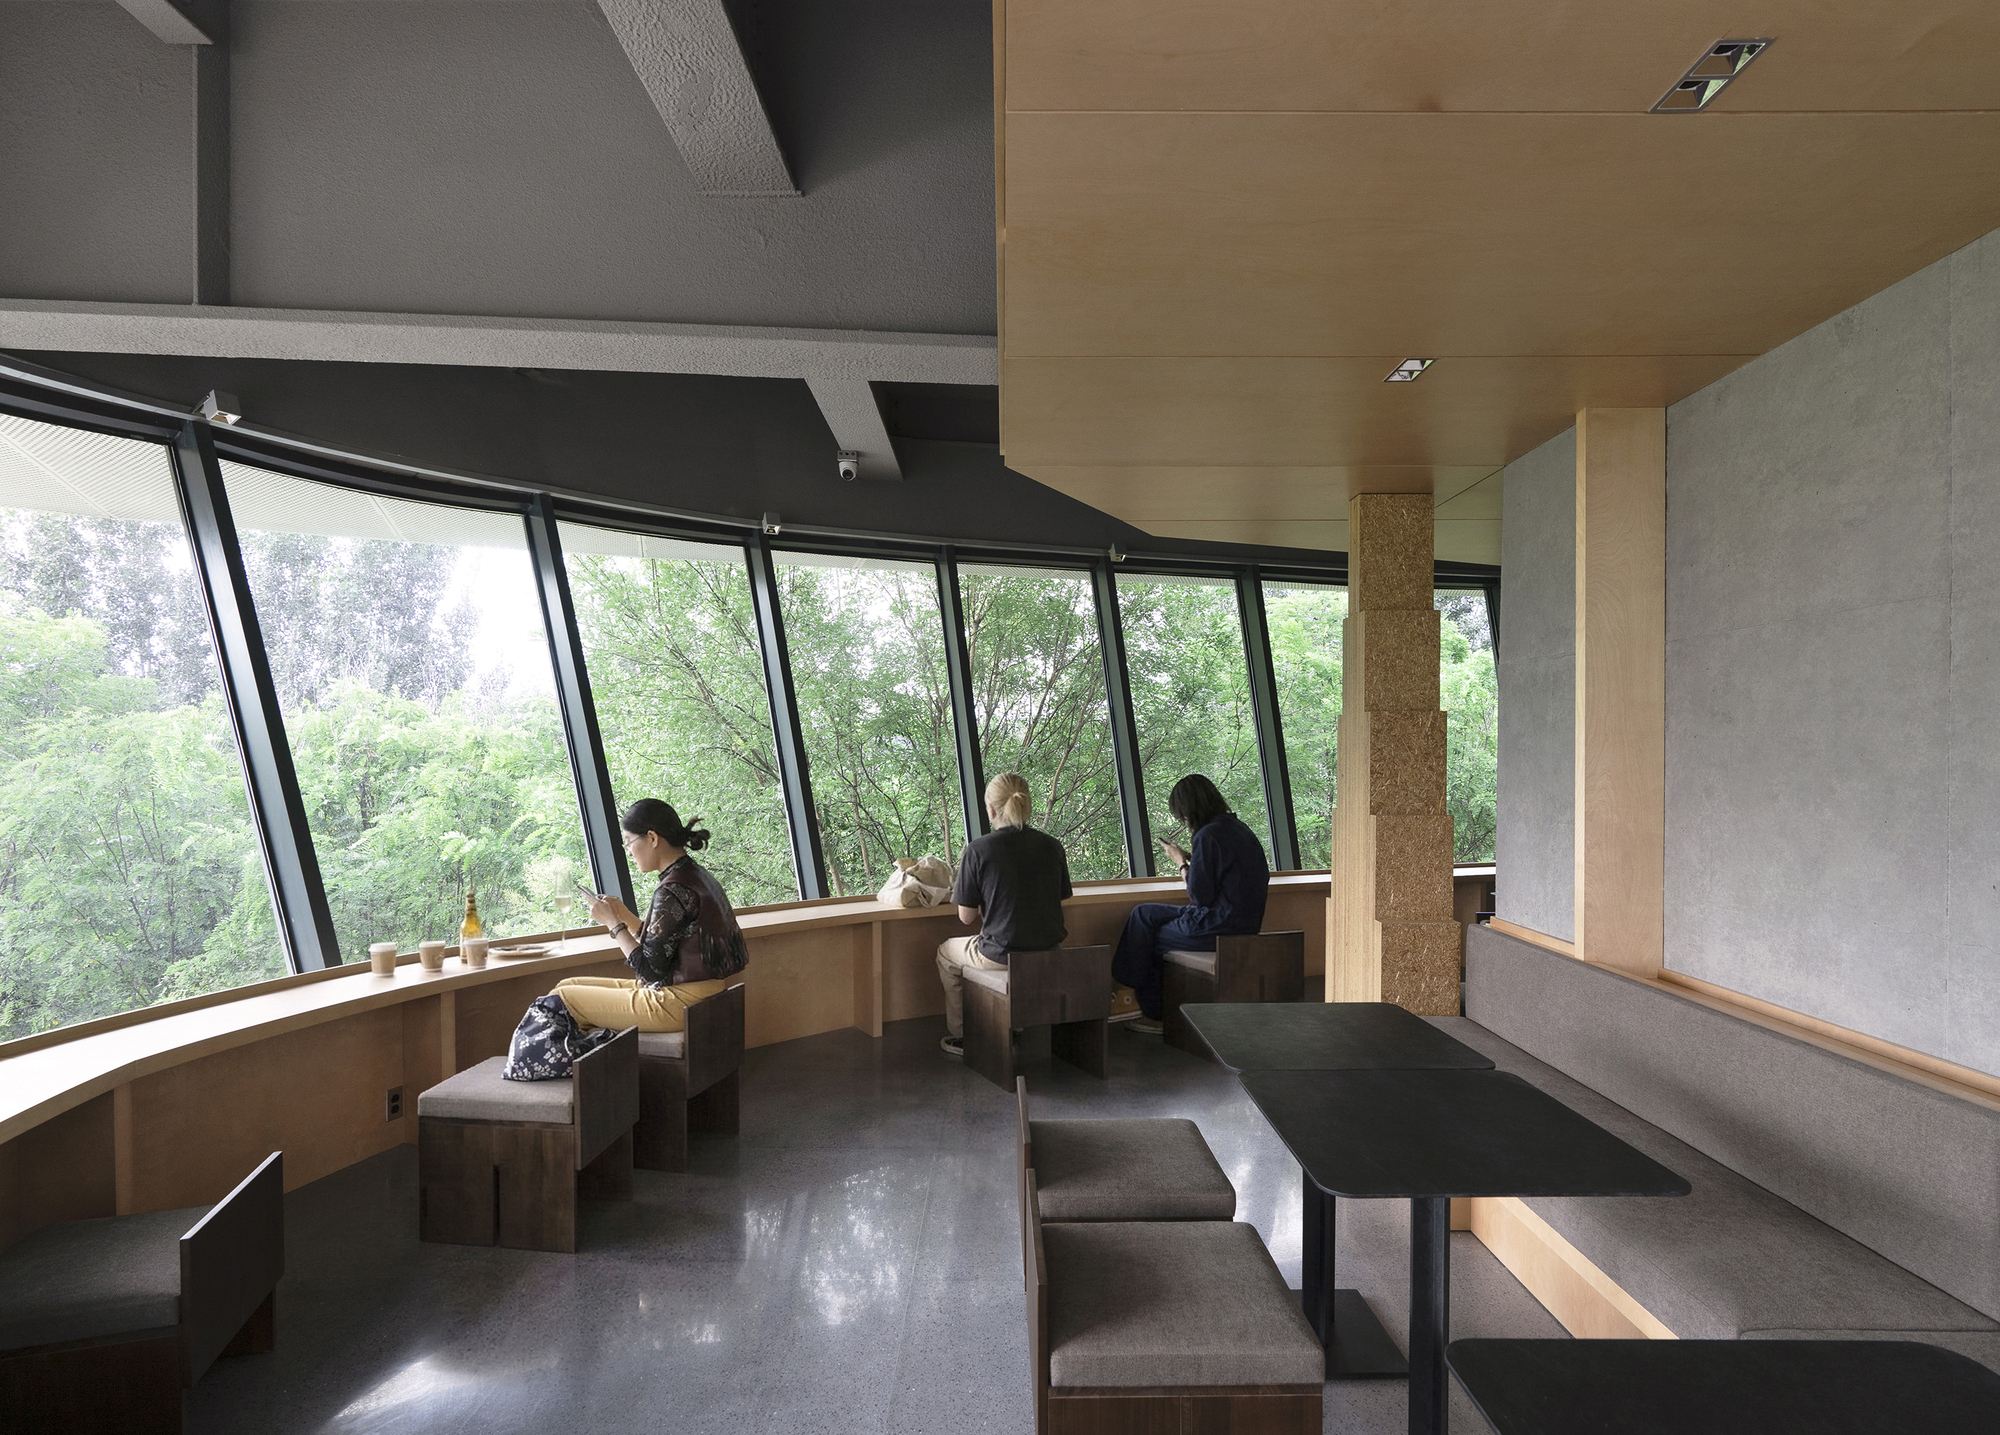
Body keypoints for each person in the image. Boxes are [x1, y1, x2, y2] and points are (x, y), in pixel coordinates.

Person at [557, 798, 749, 1034]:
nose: (629, 852)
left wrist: (613, 924)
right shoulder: (694, 875)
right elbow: (660, 948)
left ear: (652, 838)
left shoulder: (672, 889)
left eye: (628, 842)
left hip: (680, 1002)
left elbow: (649, 973)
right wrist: (623, 914)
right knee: (568, 985)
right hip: (701, 994)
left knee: (562, 998)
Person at [1112, 774, 1269, 1034]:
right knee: (1143, 914)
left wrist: (1181, 863)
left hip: (1217, 925)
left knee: (1149, 937)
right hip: (1244, 921)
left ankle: (1152, 1013)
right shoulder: (1239, 829)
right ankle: (1126, 990)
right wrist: (1194, 860)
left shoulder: (1207, 835)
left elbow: (1199, 896)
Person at [936, 772, 1072, 1058]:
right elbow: (1059, 897)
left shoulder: (978, 849)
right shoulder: (1052, 846)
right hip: (1050, 951)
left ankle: (963, 1035)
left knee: (946, 952)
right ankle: (1015, 1023)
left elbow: (966, 917)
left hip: (1000, 955)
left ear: (990, 810)